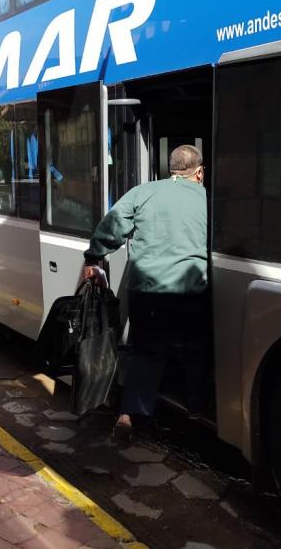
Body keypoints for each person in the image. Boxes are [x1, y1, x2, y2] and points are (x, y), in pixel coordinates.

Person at [82, 144, 209, 439]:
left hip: (147, 289)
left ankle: (130, 414)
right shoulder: (207, 197)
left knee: (147, 351)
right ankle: (196, 407)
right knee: (194, 349)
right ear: (199, 172)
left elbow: (113, 226)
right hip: (190, 289)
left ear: (171, 169)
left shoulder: (145, 191)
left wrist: (93, 257)